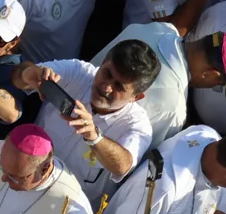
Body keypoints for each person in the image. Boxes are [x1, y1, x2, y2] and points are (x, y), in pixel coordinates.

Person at [13, 39, 157, 198]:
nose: (106, 87)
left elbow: (123, 165)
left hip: (65, 209)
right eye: (107, 74)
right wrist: (28, 75)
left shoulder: (138, 126)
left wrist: (94, 137)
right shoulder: (79, 72)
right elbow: (18, 74)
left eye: (119, 87)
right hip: (21, 180)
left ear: (136, 97)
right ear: (102, 63)